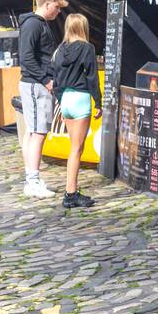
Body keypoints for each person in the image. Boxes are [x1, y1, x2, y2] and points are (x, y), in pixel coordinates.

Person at [19, 0, 66, 198]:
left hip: (35, 83)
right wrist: (46, 80)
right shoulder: (33, 25)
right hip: (36, 84)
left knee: (33, 132)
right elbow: (27, 58)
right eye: (56, 7)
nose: (58, 12)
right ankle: (32, 181)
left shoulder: (37, 24)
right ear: (46, 5)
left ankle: (32, 177)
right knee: (38, 133)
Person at [50, 13, 99, 210]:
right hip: (80, 98)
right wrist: (99, 102)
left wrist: (61, 102)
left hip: (67, 99)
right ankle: (70, 193)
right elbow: (92, 78)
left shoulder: (59, 51)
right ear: (83, 28)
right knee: (77, 150)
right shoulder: (87, 49)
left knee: (74, 147)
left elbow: (56, 81)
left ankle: (71, 191)